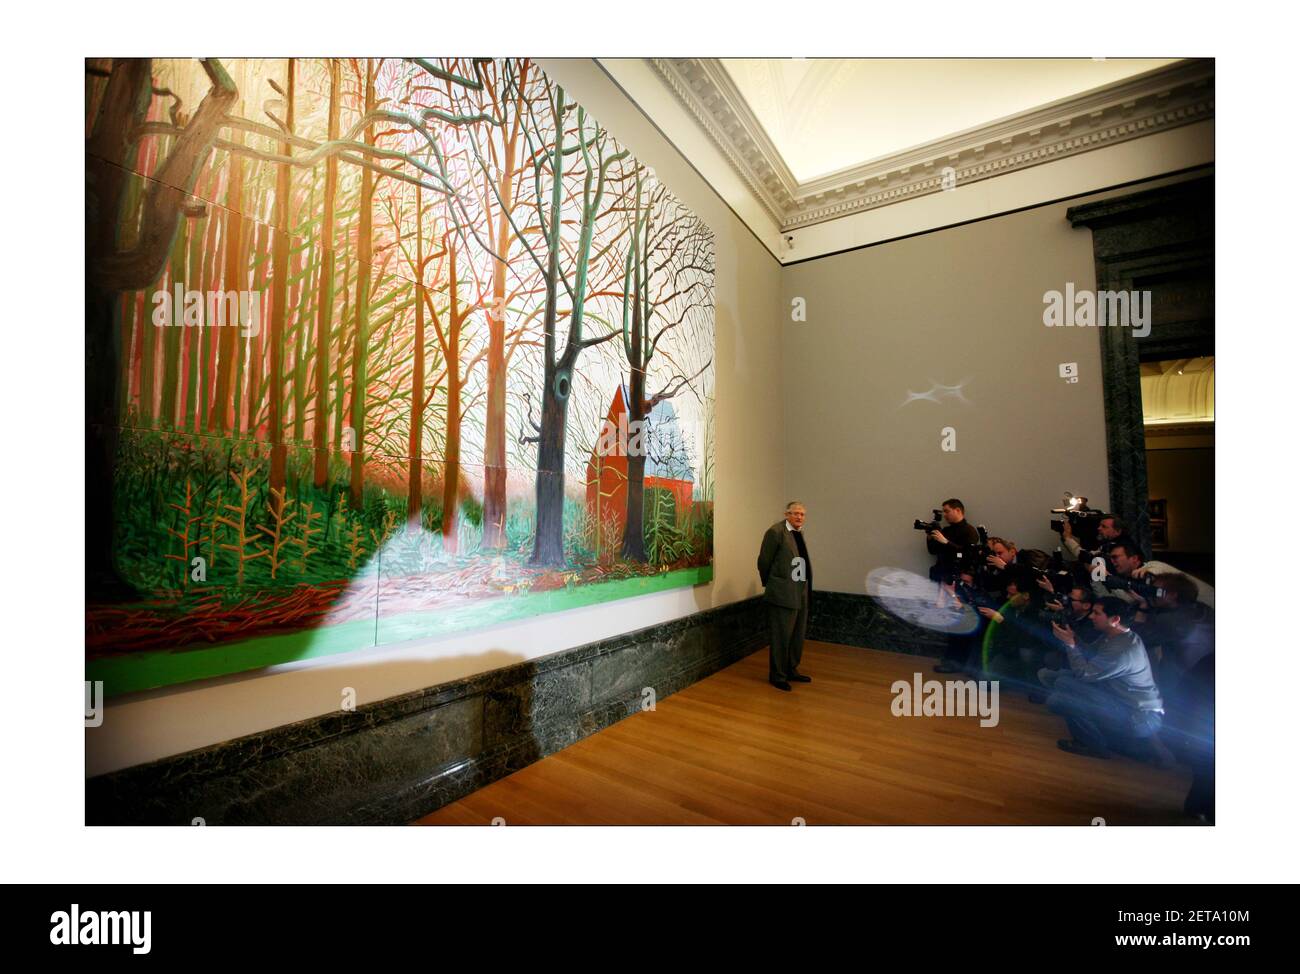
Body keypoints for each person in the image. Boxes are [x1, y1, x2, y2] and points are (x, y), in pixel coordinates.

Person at [1046, 597, 1168, 763]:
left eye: (1097, 613)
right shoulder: (1116, 636)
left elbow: (1085, 674)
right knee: (1061, 680)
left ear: (1115, 619)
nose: (1091, 616)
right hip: (1125, 702)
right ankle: (1111, 738)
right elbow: (1090, 654)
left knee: (1058, 699)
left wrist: (1070, 645)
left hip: (1138, 716)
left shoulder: (1122, 649)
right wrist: (1073, 639)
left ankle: (1095, 746)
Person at [757, 502, 814, 692]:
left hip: (801, 591)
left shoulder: (798, 533)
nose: (799, 517)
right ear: (786, 514)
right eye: (796, 513)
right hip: (782, 593)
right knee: (781, 636)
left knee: (797, 635)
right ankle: (778, 676)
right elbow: (764, 561)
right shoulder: (775, 532)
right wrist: (773, 584)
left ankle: (791, 670)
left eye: (802, 514)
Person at [925, 498, 980, 582]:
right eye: (943, 512)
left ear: (958, 510)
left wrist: (946, 542)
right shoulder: (946, 530)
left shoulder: (969, 531)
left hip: (956, 576)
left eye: (947, 511)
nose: (944, 515)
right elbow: (933, 551)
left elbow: (966, 555)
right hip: (940, 574)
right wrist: (929, 537)